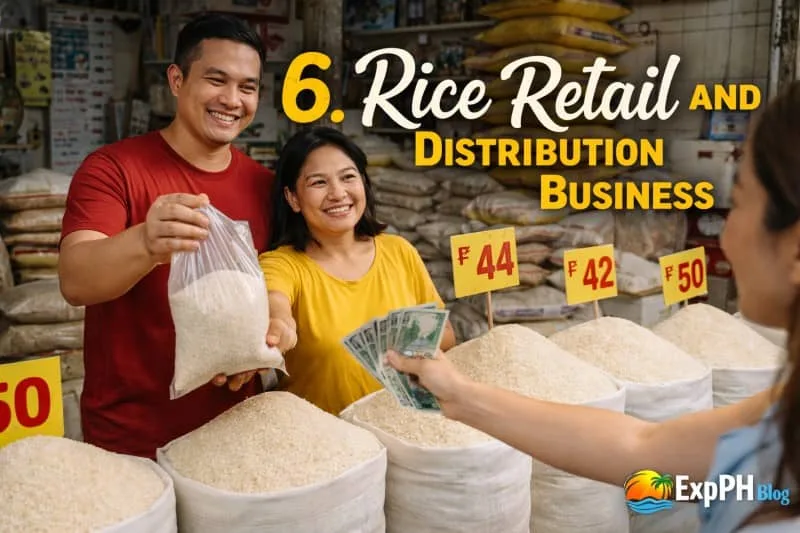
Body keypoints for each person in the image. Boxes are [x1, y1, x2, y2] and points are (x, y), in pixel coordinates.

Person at [385, 82, 800, 532]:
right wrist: (461, 395)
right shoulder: (784, 412)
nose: (725, 236)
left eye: (737, 203)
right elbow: (643, 448)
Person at [58, 13, 292, 460]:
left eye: (247, 87)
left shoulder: (265, 186)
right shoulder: (113, 169)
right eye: (216, 80)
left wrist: (267, 342)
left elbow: (278, 285)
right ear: (177, 80)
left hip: (234, 434)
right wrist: (146, 242)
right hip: (130, 440)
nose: (232, 100)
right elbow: (75, 280)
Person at [259, 126, 456, 416]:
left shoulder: (399, 251)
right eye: (318, 182)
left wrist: (397, 343)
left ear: (363, 182)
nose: (338, 193)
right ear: (293, 198)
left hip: (401, 430)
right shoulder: (282, 264)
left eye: (348, 177)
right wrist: (278, 325)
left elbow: (447, 336)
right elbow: (276, 303)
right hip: (325, 437)